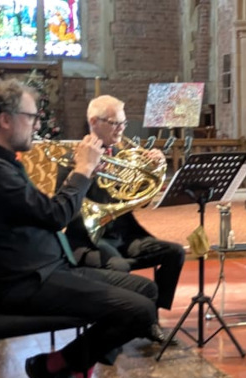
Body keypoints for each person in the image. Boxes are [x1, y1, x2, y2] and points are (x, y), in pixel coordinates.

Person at [0, 78, 159, 378]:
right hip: (28, 282)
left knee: (146, 292)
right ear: (5, 119)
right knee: (138, 311)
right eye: (32, 117)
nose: (37, 125)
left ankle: (72, 371)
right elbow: (56, 216)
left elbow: (43, 210)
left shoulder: (3, 161)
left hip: (50, 267)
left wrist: (90, 173)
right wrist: (81, 168)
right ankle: (53, 366)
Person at [58, 95, 186, 345]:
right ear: (94, 122)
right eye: (115, 123)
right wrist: (86, 175)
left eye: (124, 124)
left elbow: (141, 200)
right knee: (119, 267)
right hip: (89, 238)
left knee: (175, 253)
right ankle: (118, 327)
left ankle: (151, 319)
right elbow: (66, 207)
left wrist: (152, 169)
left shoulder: (124, 153)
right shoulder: (72, 157)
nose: (121, 129)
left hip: (124, 235)